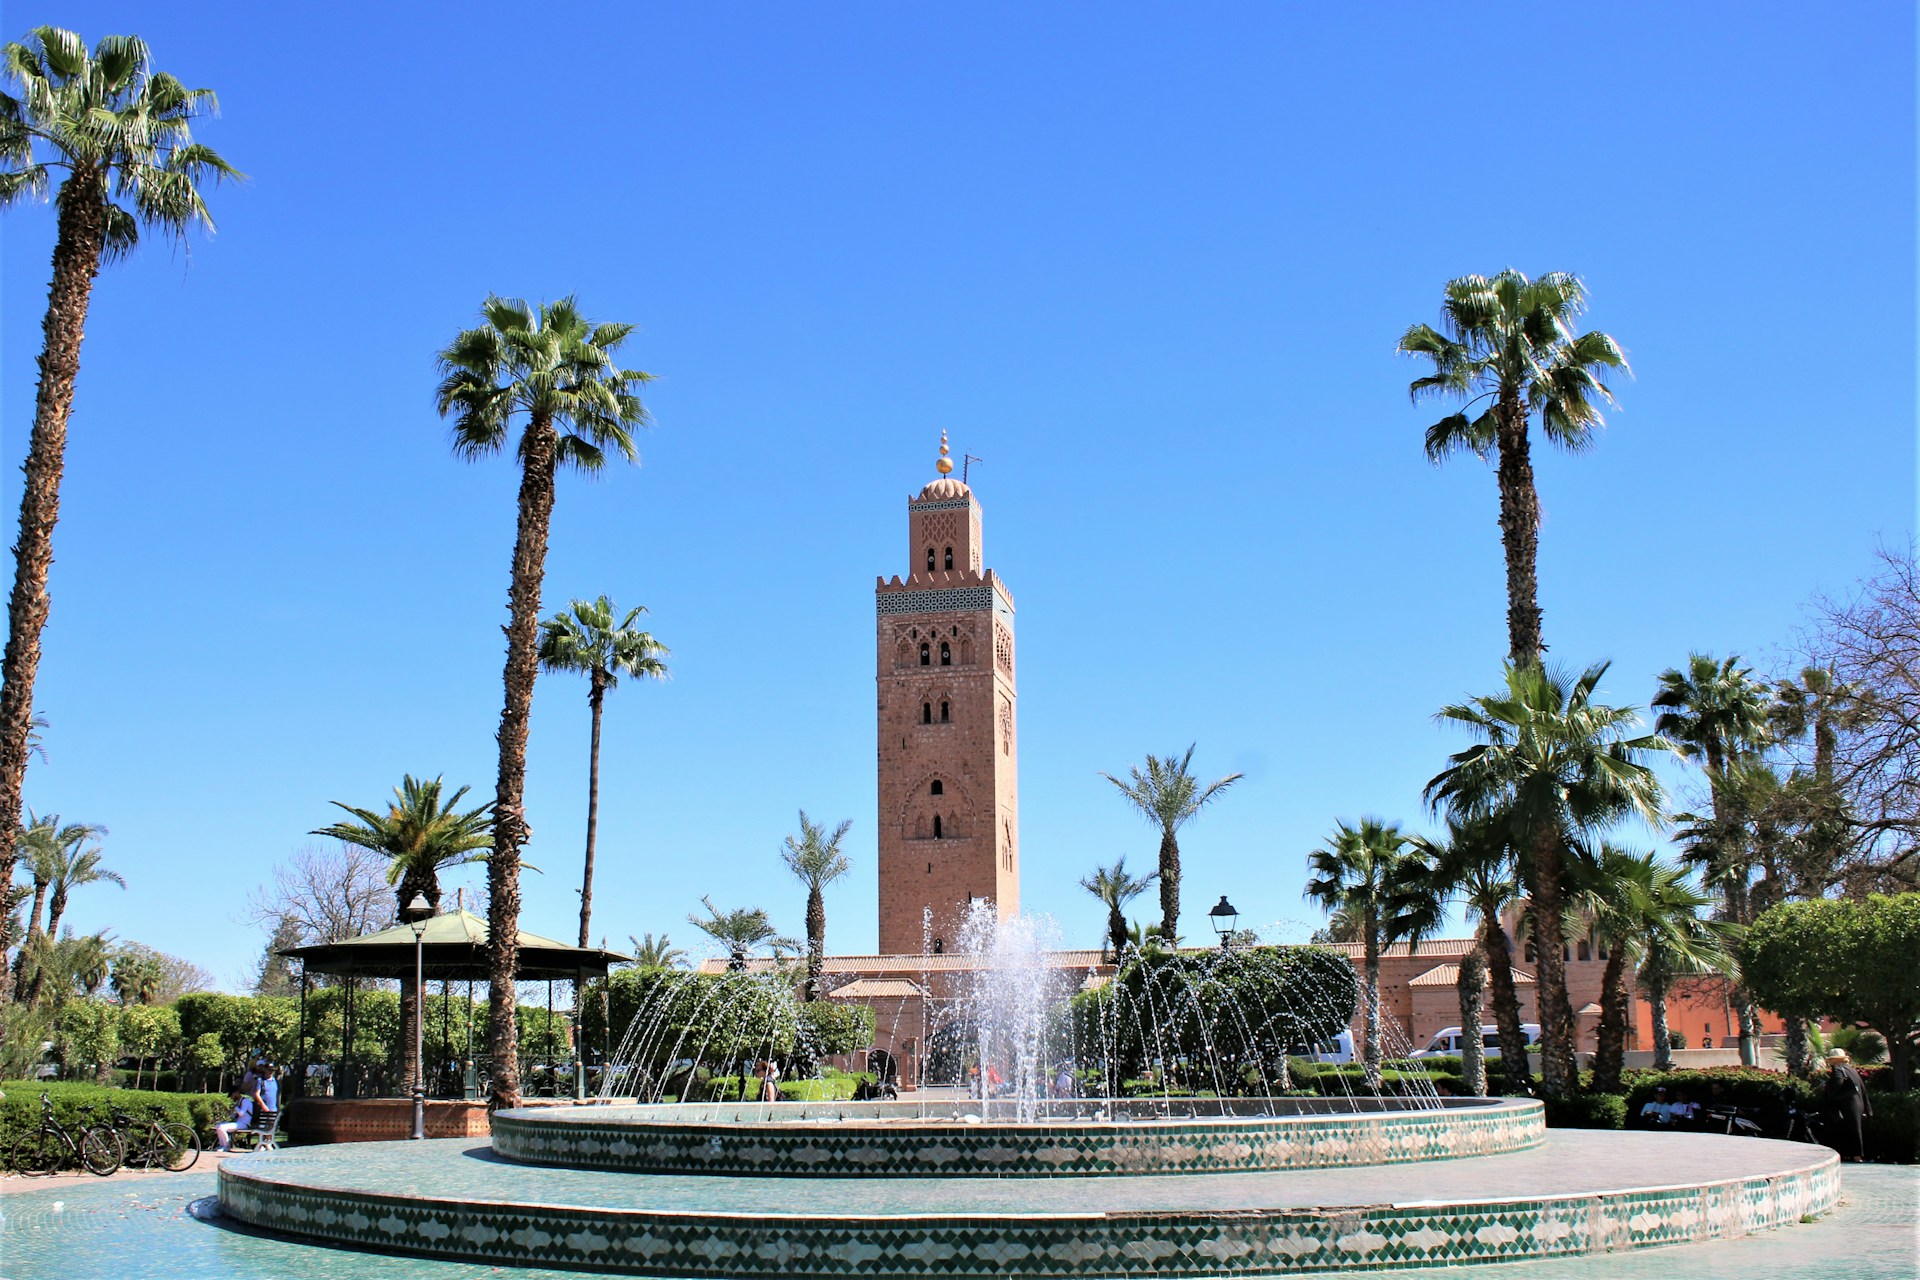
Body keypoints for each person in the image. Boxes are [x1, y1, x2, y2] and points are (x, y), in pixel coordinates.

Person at [1822, 1047, 1872, 1161]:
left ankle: (1854, 1155)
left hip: (1847, 1105)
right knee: (1854, 1129)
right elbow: (1862, 1088)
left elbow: (1837, 1083)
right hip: (1858, 1104)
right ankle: (1856, 1156)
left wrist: (1828, 1092)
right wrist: (1868, 1108)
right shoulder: (1851, 1070)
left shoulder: (1838, 1069)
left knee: (1848, 1129)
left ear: (1833, 1061)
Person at [214, 1088, 254, 1153]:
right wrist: (230, 1111)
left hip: (244, 1124)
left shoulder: (245, 1101)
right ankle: (222, 1145)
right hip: (239, 1122)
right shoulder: (239, 1102)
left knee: (222, 1127)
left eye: (232, 1095)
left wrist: (235, 1107)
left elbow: (241, 1113)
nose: (231, 1098)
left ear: (236, 1093)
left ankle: (226, 1146)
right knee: (218, 1125)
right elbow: (235, 1116)